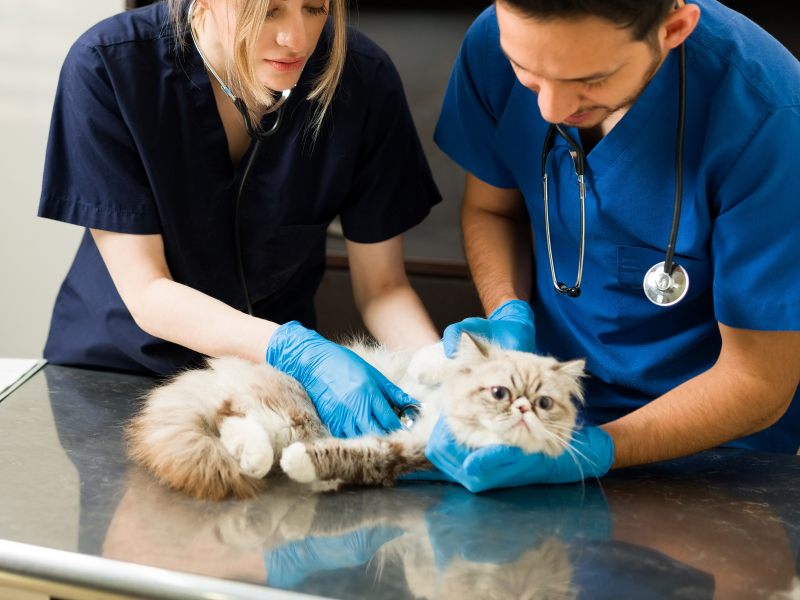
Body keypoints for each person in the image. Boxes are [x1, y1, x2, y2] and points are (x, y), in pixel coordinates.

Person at [425, 0, 800, 491]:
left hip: (719, 453)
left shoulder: (770, 118)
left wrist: (593, 451)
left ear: (673, 29)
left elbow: (758, 383)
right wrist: (508, 315)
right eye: (526, 71)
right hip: (546, 415)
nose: (550, 110)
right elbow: (492, 211)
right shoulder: (497, 38)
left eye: (592, 80)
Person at [37, 0, 442, 438]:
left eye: (315, 8)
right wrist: (297, 351)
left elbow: (383, 288)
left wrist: (446, 379)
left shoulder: (364, 80)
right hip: (116, 379)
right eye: (268, 12)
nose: (297, 40)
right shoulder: (109, 65)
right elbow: (147, 290)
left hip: (272, 391)